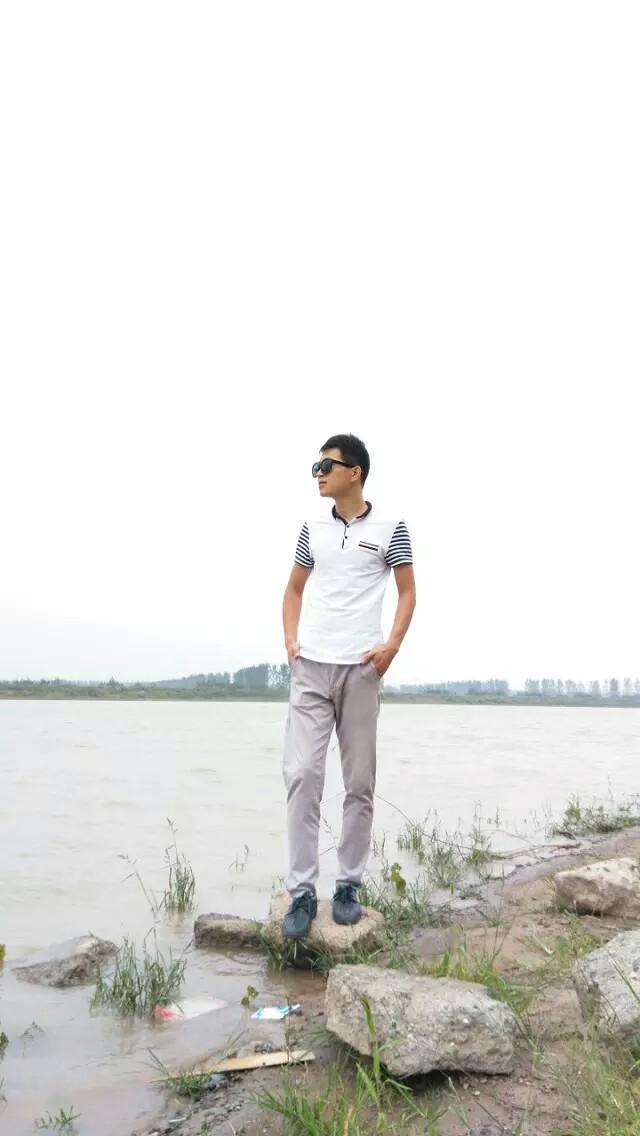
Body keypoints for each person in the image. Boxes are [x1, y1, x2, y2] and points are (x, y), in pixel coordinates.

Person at [281, 433, 416, 938]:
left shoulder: (391, 528)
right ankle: (301, 892)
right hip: (311, 668)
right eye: (315, 466)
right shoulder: (311, 528)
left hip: (361, 670)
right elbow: (294, 588)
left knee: (359, 784)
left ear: (353, 472)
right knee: (302, 776)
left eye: (326, 465)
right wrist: (291, 641)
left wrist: (391, 647)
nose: (318, 474)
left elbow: (407, 593)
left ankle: (348, 886)